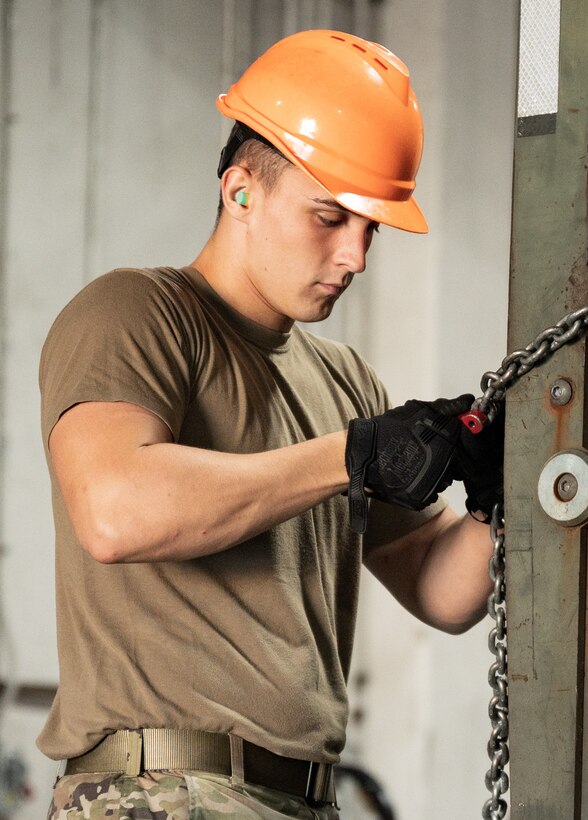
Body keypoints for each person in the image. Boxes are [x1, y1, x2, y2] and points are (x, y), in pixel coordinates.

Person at [39, 29, 502, 820]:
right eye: (330, 218)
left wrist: (498, 498)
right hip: (159, 793)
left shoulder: (346, 383)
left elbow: (440, 591)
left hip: (298, 800)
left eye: (371, 229)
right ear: (240, 191)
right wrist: (353, 454)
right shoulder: (136, 315)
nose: (355, 256)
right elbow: (114, 512)